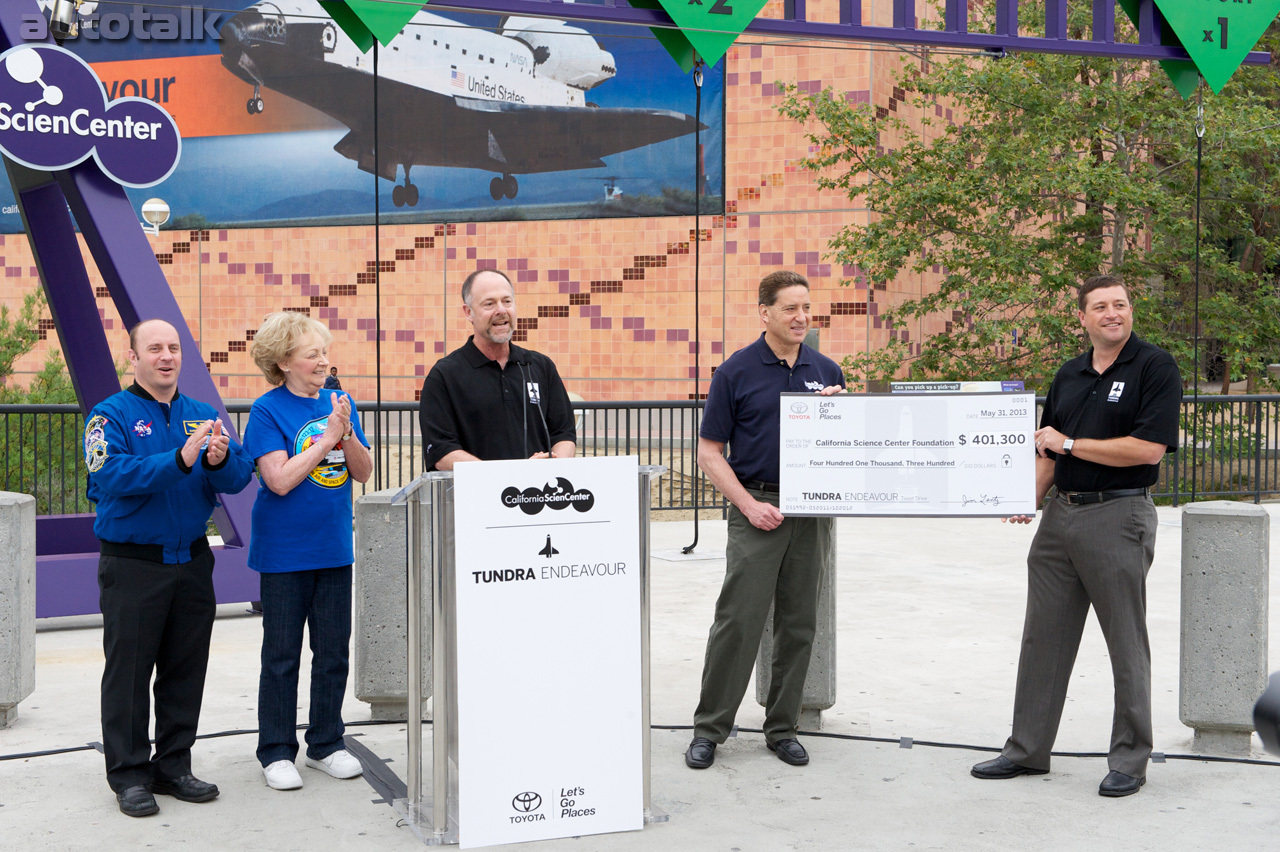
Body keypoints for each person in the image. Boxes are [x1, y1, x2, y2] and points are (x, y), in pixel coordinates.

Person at [971, 275, 1180, 798]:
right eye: (1101, 307)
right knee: (1042, 638)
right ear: (1082, 318)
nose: (1114, 313)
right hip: (1059, 520)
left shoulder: (1154, 366)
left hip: (1118, 516)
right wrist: (1026, 498)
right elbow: (1047, 451)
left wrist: (1070, 445)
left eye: (1122, 304)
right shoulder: (1070, 374)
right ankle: (1026, 750)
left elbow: (1147, 450)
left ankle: (1130, 760)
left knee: (1125, 642)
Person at [85, 318, 255, 817]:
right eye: (154, 348)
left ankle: (174, 765)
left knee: (184, 670)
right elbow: (110, 473)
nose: (166, 356)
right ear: (132, 357)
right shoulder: (109, 416)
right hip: (134, 564)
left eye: (174, 348)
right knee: (130, 673)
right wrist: (180, 460)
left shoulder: (202, 415)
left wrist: (220, 458)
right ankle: (130, 775)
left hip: (191, 563)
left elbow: (240, 475)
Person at [685, 270, 844, 770]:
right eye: (790, 308)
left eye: (806, 308)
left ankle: (783, 727)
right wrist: (747, 506)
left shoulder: (827, 370)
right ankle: (710, 729)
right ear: (765, 314)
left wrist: (841, 418)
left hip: (810, 513)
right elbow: (709, 452)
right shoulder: (736, 371)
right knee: (739, 621)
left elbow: (845, 450)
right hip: (756, 508)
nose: (801, 317)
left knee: (799, 624)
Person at [244, 312, 373, 791]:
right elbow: (278, 479)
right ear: (284, 361)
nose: (323, 360)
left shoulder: (341, 402)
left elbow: (362, 472)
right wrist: (326, 438)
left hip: (334, 547)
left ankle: (326, 743)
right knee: (281, 655)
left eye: (324, 351)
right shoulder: (267, 410)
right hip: (284, 553)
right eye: (312, 353)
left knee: (333, 652)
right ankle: (276, 750)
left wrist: (347, 431)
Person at [419, 268, 575, 469]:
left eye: (507, 301)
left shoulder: (540, 366)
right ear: (469, 312)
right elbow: (441, 450)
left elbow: (564, 433)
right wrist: (500, 478)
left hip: (539, 495)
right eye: (489, 303)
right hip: (477, 498)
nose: (501, 310)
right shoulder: (444, 376)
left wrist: (555, 465)